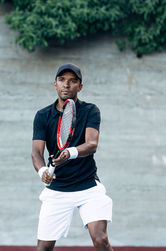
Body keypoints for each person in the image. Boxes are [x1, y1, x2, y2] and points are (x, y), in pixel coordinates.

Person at [31, 63, 113, 251]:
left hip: (88, 186)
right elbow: (36, 152)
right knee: (43, 248)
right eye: (62, 80)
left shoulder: (91, 110)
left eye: (72, 81)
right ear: (55, 84)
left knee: (100, 240)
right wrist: (43, 170)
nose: (66, 85)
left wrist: (69, 153)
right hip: (57, 190)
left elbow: (92, 144)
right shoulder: (43, 115)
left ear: (80, 87)